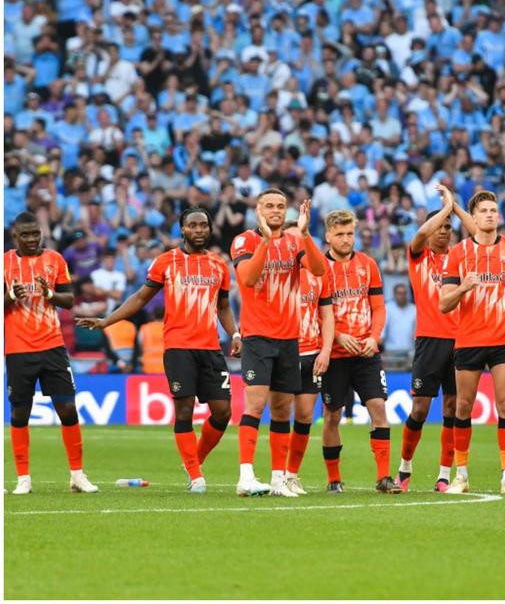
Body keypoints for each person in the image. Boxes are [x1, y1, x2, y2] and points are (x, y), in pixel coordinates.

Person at [78, 207, 241, 493]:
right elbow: (140, 298)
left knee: (223, 411)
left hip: (211, 348)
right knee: (184, 410)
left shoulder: (218, 265)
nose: (199, 230)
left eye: (203, 225)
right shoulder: (166, 262)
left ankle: (194, 462)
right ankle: (196, 477)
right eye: (193, 225)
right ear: (182, 230)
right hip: (178, 347)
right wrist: (107, 321)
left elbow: (223, 305)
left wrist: (235, 333)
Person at [439, 190, 505, 496]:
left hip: (503, 339)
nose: (490, 215)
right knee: (463, 407)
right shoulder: (458, 253)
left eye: (494, 210)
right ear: (474, 217)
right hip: (468, 339)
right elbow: (444, 303)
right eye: (484, 210)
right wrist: (464, 287)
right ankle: (461, 476)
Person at [230, 189, 325, 497]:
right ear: (258, 210)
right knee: (255, 405)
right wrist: (268, 241)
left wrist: (308, 235)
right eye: (269, 206)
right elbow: (248, 277)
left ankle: (277, 479)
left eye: (281, 206)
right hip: (257, 336)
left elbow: (320, 270)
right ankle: (245, 475)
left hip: (289, 338)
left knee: (283, 411)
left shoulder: (296, 242)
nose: (275, 211)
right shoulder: (244, 241)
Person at [4, 212, 98, 494]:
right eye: (26, 235)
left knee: (68, 409)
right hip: (19, 350)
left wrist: (50, 295)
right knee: (20, 414)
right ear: (15, 237)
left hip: (53, 345)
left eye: (36, 234)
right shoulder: (5, 262)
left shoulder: (55, 259)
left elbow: (69, 300)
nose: (32, 239)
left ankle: (78, 476)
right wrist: (10, 296)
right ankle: (23, 479)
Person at [398, 184, 476, 492]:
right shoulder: (420, 257)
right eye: (440, 227)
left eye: (448, 228)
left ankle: (444, 475)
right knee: (419, 408)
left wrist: (454, 208)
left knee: (452, 408)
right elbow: (419, 235)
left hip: (461, 341)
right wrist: (445, 209)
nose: (444, 231)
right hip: (429, 340)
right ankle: (404, 468)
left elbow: (479, 234)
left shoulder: (462, 258)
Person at [318, 209, 396, 493]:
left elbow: (378, 307)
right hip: (334, 355)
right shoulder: (318, 268)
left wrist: (374, 338)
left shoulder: (368, 264)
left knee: (378, 407)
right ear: (328, 237)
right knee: (332, 416)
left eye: (350, 233)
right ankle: (333, 478)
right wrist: (337, 337)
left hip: (366, 353)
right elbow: (313, 312)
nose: (346, 239)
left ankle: (384, 477)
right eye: (339, 234)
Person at [281, 219, 333, 495]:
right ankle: (277, 474)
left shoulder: (317, 273)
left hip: (311, 353)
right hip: (282, 352)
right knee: (279, 416)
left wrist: (325, 350)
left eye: (298, 240)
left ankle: (292, 474)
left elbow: (326, 315)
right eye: (289, 240)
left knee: (303, 417)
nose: (294, 245)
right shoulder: (275, 273)